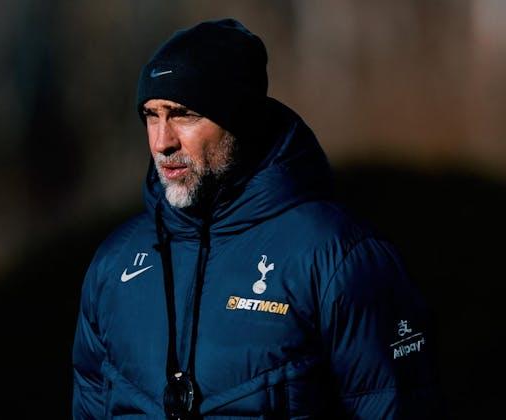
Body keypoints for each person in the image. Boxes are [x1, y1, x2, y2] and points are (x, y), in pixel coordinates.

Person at [72, 18, 443, 419]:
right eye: (151, 115)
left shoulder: (337, 257)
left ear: (240, 120)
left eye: (183, 114)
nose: (163, 142)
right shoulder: (113, 267)